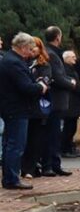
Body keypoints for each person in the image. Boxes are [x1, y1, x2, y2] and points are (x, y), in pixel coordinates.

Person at [0, 33, 48, 190]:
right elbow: (26, 87)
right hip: (17, 108)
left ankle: (9, 177)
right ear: (22, 47)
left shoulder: (8, 59)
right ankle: (12, 179)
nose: (31, 52)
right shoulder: (14, 63)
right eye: (29, 49)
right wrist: (41, 87)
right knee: (16, 145)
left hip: (11, 108)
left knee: (10, 144)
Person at [43, 26, 76, 177]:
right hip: (55, 101)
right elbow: (57, 78)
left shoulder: (47, 52)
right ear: (58, 37)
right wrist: (72, 83)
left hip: (50, 101)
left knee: (52, 134)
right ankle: (51, 165)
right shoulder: (53, 55)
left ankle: (52, 164)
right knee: (53, 135)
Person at [21, 37, 52, 179]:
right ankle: (24, 166)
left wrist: (34, 85)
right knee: (23, 139)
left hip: (37, 107)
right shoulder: (23, 62)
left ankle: (30, 168)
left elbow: (44, 85)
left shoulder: (44, 65)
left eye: (35, 47)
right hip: (24, 106)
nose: (32, 50)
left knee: (35, 139)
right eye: (30, 47)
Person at [61, 50, 80, 158]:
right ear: (66, 58)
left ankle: (68, 147)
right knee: (68, 127)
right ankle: (65, 149)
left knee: (72, 126)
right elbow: (74, 85)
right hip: (70, 102)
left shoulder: (70, 69)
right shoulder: (65, 69)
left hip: (74, 102)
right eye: (72, 57)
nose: (75, 58)